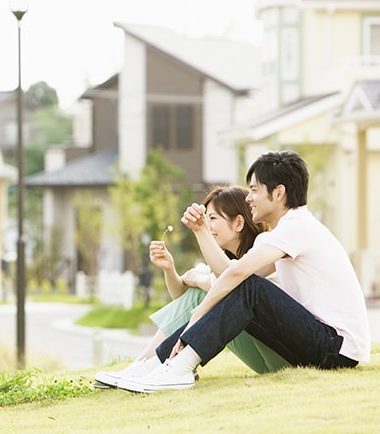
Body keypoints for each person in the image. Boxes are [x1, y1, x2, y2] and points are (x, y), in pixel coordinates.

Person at [117, 150, 371, 393]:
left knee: (246, 285)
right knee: (242, 286)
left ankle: (178, 367)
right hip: (320, 343)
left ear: (279, 193)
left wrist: (191, 327)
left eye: (254, 190)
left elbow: (238, 277)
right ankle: (159, 363)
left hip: (335, 348)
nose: (248, 198)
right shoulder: (286, 232)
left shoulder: (297, 227)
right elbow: (232, 276)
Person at [94, 186, 290, 388]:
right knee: (202, 293)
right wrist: (169, 269)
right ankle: (144, 364)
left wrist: (201, 273)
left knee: (216, 292)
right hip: (260, 356)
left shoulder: (264, 248)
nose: (207, 224)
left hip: (281, 352)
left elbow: (232, 281)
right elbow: (183, 296)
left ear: (239, 222)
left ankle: (152, 364)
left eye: (213, 218)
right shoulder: (223, 260)